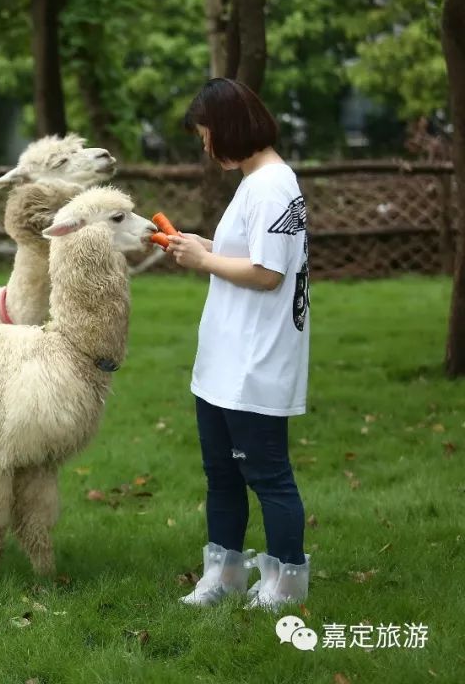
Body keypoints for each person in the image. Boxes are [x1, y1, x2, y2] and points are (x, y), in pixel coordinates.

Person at [168, 78, 311, 610]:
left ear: (228, 128)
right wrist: (204, 246)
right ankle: (223, 573)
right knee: (221, 473)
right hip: (223, 362)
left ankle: (284, 584)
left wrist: (204, 261)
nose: (205, 147)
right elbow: (247, 252)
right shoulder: (253, 183)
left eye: (207, 135)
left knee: (268, 475)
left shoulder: (273, 185)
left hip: (256, 361)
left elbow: (268, 273)